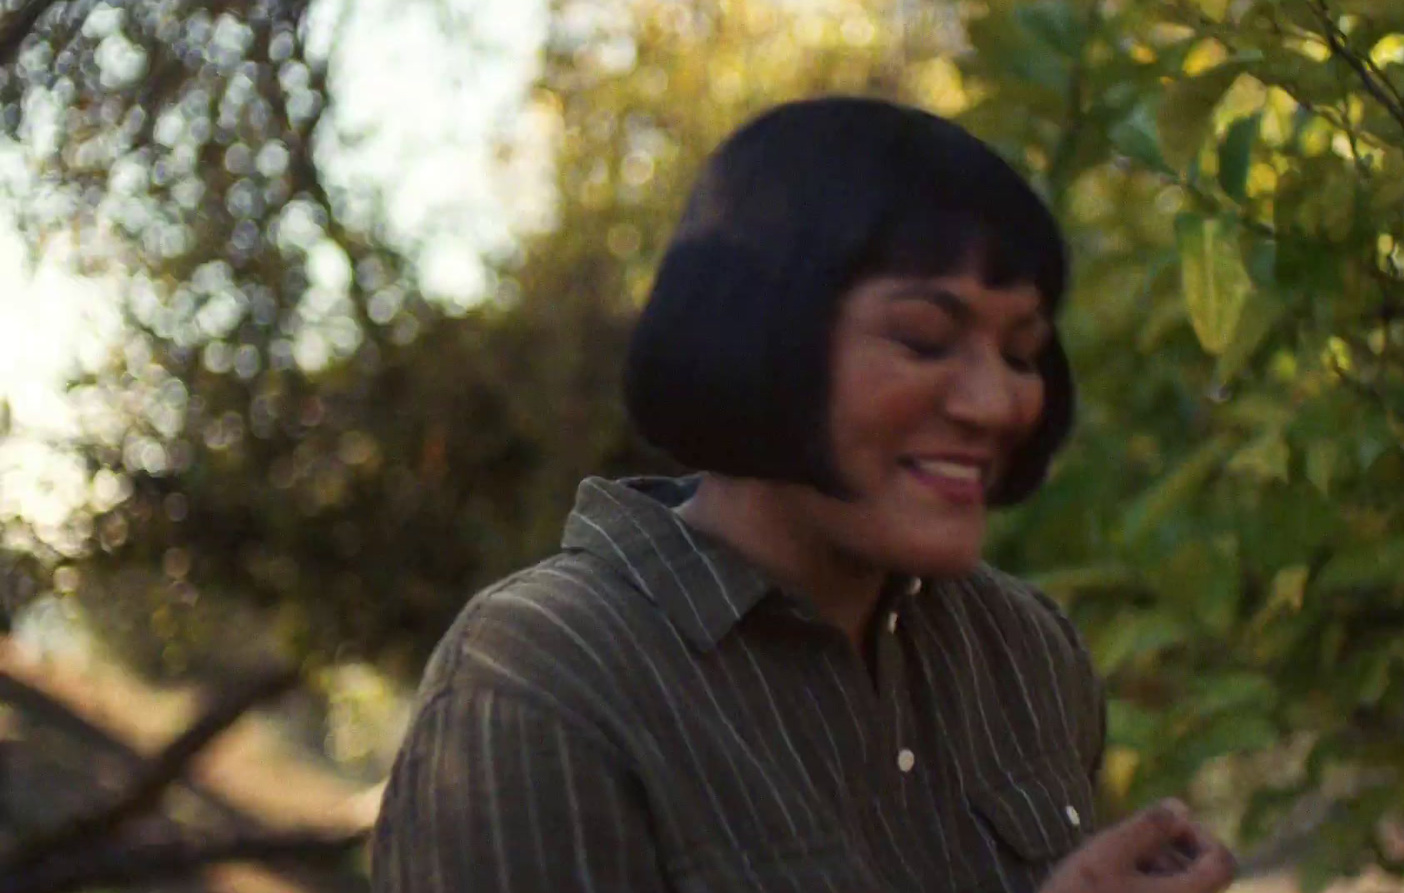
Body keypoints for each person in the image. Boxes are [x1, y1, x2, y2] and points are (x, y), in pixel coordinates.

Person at [371, 96, 1236, 893]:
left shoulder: (1028, 655)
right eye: (925, 338)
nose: (999, 402)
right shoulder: (545, 677)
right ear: (758, 337)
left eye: (1021, 352)